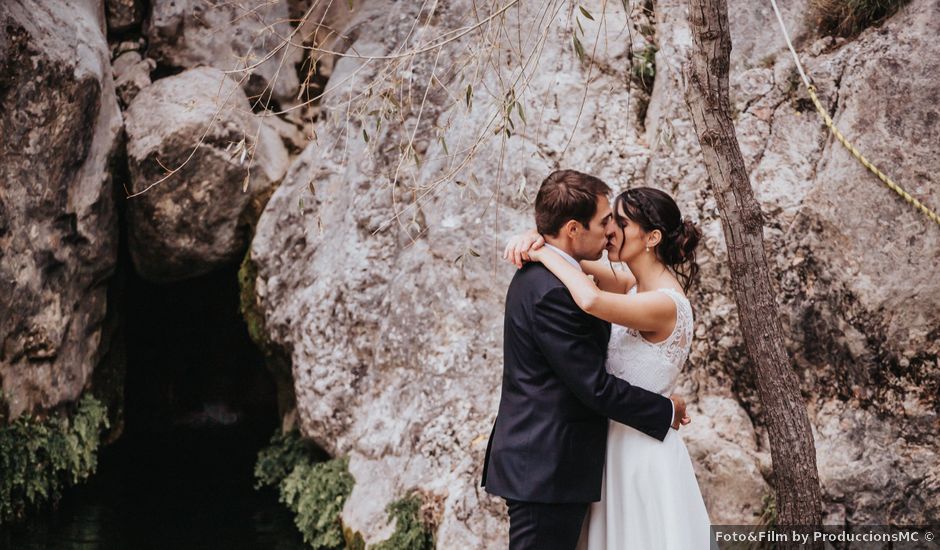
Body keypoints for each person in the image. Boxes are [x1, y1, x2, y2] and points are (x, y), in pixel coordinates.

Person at [480, 169, 691, 550]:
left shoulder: (636, 292)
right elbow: (593, 385)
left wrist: (540, 244)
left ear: (652, 237)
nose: (610, 231)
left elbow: (589, 289)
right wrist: (663, 410)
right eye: (607, 220)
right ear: (575, 229)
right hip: (548, 466)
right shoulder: (555, 291)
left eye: (619, 222)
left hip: (609, 459)